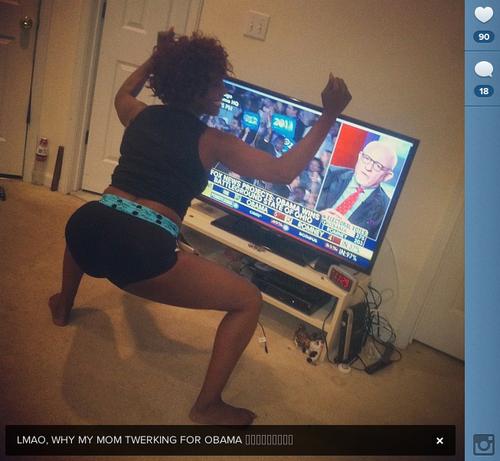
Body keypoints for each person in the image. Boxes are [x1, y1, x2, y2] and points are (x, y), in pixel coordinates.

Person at [48, 29, 351, 426]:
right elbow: (282, 171)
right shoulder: (212, 141)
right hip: (142, 247)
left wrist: (157, 57)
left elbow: (123, 91)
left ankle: (63, 305)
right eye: (216, 83)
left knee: (97, 221)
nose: (222, 90)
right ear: (198, 89)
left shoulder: (138, 114)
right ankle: (206, 407)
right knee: (248, 301)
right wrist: (329, 114)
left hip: (87, 225)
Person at [316, 141, 397, 238]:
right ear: (359, 157)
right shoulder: (330, 173)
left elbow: (371, 243)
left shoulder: (386, 210)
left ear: (387, 176)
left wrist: (351, 235)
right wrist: (316, 217)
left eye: (378, 166)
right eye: (366, 158)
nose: (368, 167)